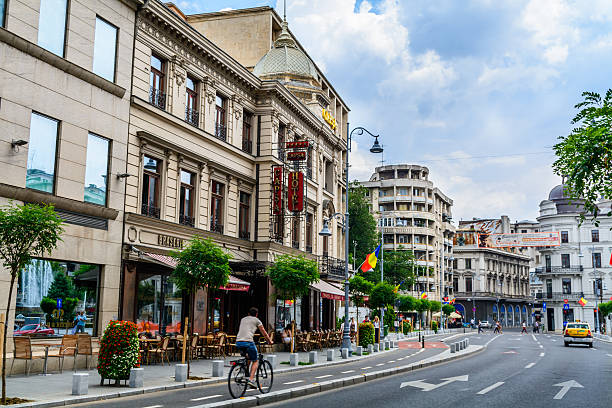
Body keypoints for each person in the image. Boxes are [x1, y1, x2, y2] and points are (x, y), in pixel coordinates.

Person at [235, 307, 273, 389]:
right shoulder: (257, 320)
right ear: (256, 314)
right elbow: (264, 332)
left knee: (249, 357)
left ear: (248, 313)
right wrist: (269, 341)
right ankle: (251, 380)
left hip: (238, 342)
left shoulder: (243, 319)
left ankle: (246, 372)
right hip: (248, 342)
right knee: (255, 360)